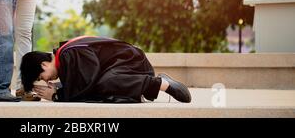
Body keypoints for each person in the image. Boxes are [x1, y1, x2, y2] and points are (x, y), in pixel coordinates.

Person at [20, 35, 192, 103]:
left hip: (132, 63)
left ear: (44, 64)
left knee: (105, 83)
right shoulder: (65, 55)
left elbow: (89, 82)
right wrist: (61, 89)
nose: (47, 80)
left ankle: (162, 84)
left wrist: (58, 96)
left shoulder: (68, 55)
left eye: (42, 77)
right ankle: (145, 88)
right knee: (105, 84)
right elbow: (84, 81)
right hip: (124, 68)